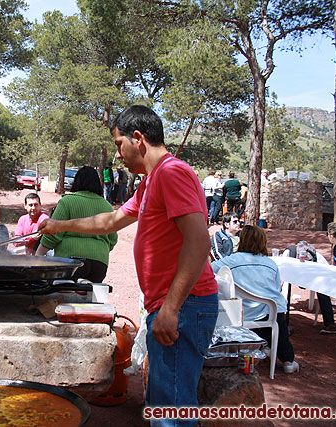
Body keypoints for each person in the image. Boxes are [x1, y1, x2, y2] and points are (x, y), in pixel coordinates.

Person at [38, 106, 217, 424]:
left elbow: (199, 240)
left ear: (138, 139)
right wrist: (59, 226)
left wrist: (171, 308)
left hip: (185, 306)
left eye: (119, 144)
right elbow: (109, 221)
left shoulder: (172, 172)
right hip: (170, 305)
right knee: (164, 403)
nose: (118, 155)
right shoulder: (151, 181)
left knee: (172, 411)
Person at [211, 225, 298, 374]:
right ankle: (287, 360)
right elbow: (277, 289)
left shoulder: (231, 260)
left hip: (239, 313)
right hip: (268, 313)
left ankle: (260, 348)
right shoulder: (271, 264)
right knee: (278, 322)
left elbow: (210, 270)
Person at [35, 167, 118, 282]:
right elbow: (113, 239)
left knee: (63, 296)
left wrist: (38, 254)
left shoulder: (67, 201)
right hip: (99, 264)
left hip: (70, 262)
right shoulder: (107, 206)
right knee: (90, 297)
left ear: (77, 181)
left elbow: (53, 233)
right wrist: (98, 251)